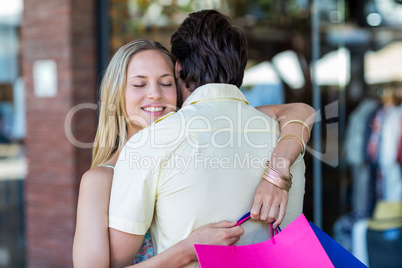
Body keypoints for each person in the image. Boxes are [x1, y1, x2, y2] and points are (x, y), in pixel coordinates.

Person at [72, 39, 313, 267]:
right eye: (139, 84)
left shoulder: (199, 127)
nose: (155, 93)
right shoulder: (99, 181)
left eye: (166, 83)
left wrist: (276, 173)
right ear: (116, 94)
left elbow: (299, 111)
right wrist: (187, 249)